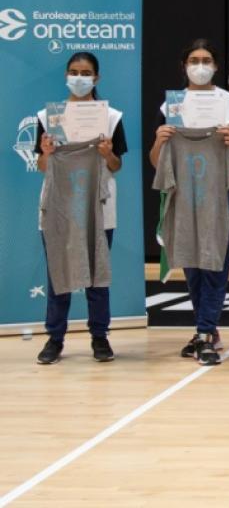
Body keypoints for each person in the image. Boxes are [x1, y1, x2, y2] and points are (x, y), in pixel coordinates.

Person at [151, 39, 229, 366]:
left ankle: (206, 333)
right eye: (194, 60)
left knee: (215, 264)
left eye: (206, 60)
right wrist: (159, 142)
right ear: (184, 66)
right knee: (192, 264)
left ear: (216, 66)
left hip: (221, 192)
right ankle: (205, 329)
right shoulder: (172, 105)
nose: (200, 66)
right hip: (184, 193)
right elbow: (156, 162)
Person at [35, 52, 127, 365]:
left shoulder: (111, 117)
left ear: (96, 78)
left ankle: (99, 336)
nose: (79, 77)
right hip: (59, 206)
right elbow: (42, 166)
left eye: (86, 73)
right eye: (74, 72)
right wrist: (46, 152)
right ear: (66, 76)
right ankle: (55, 338)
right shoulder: (48, 117)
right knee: (58, 273)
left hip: (98, 207)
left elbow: (116, 165)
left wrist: (107, 154)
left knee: (97, 274)